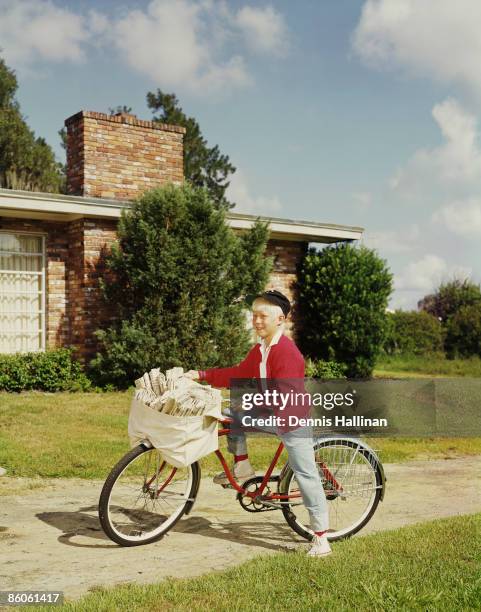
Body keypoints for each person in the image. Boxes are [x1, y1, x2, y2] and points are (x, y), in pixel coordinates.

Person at [185, 290, 331, 557]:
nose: (257, 321)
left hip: (292, 419)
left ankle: (321, 537)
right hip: (272, 412)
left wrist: (252, 402)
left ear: (281, 319)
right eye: (254, 316)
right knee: (230, 414)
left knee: (306, 473)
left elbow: (285, 395)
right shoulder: (261, 350)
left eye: (263, 316)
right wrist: (203, 374)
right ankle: (242, 467)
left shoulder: (287, 353)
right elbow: (238, 373)